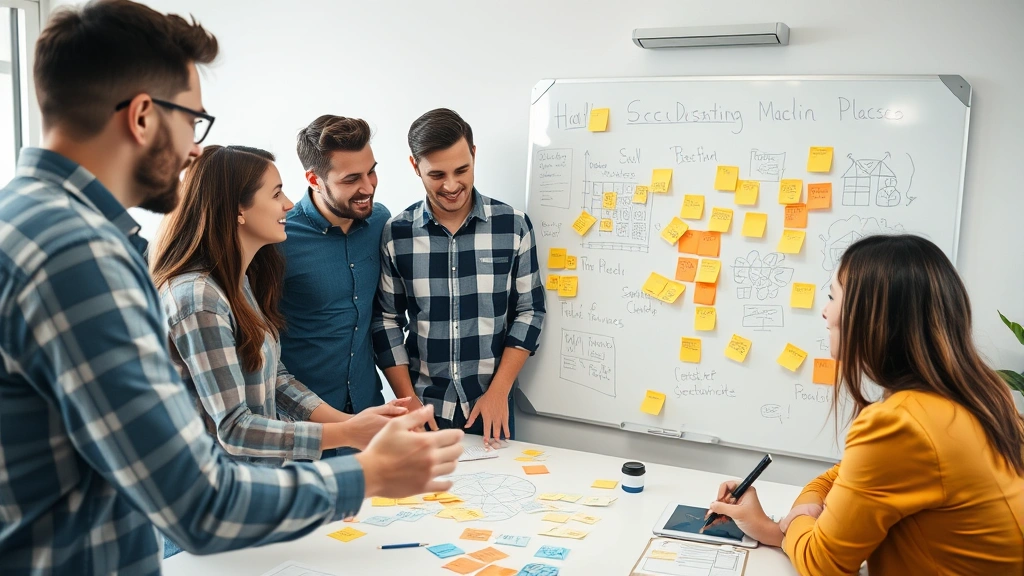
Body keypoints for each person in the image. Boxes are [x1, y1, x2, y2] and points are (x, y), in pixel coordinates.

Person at [0, 2, 463, 574]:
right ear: (143, 115)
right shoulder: (77, 255)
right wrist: (368, 474)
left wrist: (350, 427)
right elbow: (199, 498)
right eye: (193, 121)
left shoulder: (30, 224)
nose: (196, 149)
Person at [703, 235, 1024, 575]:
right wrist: (774, 527)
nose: (825, 312)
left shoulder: (901, 424)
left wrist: (787, 527)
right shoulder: (983, 398)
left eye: (832, 297)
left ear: (873, 317)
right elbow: (836, 478)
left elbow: (822, 565)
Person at [152, 145, 407, 465]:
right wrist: (346, 434)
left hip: (261, 478)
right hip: (220, 489)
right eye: (275, 195)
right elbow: (233, 428)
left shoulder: (237, 282)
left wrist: (354, 424)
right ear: (237, 211)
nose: (288, 204)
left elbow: (275, 378)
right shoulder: (199, 300)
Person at [372, 108, 546, 446]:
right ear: (415, 167)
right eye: (436, 174)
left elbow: (530, 311)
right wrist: (408, 403)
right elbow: (386, 320)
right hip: (420, 409)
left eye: (461, 170)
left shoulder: (513, 226)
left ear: (474, 155)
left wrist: (499, 391)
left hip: (490, 406)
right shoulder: (397, 233)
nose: (451, 186)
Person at [279, 116, 390, 420]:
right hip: (303, 425)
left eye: (372, 171)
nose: (368, 187)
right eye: (351, 179)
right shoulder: (278, 238)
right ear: (314, 179)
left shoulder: (380, 221)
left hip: (369, 412)